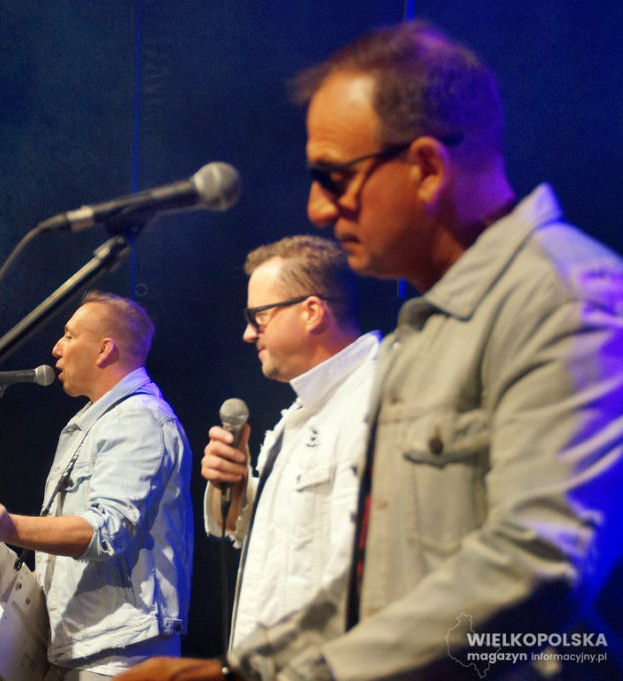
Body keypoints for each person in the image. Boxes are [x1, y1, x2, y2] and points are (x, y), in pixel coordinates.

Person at [117, 20, 623, 681]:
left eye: (334, 176)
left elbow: (537, 564)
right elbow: (374, 588)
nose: (318, 208)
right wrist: (233, 671)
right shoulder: (425, 332)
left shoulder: (569, 298)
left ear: (427, 168)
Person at [0, 290, 194, 681]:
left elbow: (107, 530)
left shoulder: (138, 419)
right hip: (81, 652)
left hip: (118, 658)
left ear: (104, 349)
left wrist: (9, 527)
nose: (56, 348)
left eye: (69, 335)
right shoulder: (93, 424)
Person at [202, 235, 378, 647]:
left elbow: (359, 576)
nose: (248, 334)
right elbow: (275, 545)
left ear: (312, 312)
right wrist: (235, 488)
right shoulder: (300, 415)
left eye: (258, 317)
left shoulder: (373, 401)